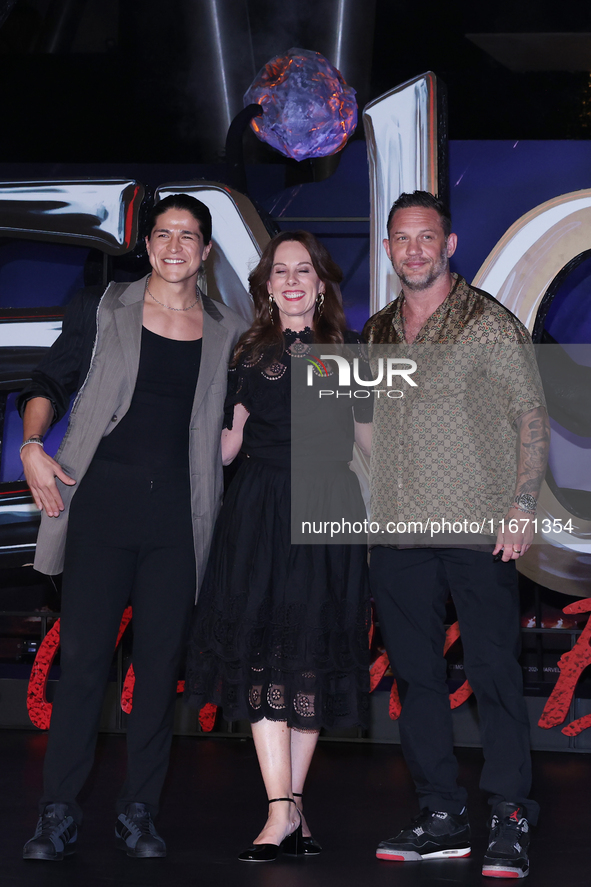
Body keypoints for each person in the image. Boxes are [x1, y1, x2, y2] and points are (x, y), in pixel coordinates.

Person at [18, 194, 247, 860]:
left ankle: (138, 811)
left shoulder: (227, 328)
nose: (175, 245)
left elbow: (237, 414)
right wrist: (33, 443)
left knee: (156, 673)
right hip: (100, 511)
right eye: (163, 233)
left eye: (189, 236)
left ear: (205, 252)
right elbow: (49, 380)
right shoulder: (102, 306)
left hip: (178, 520)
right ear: (147, 243)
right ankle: (56, 812)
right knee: (85, 666)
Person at [363, 191, 549, 880]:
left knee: (493, 672)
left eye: (426, 237)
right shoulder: (378, 330)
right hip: (398, 529)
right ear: (387, 249)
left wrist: (522, 504)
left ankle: (508, 811)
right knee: (415, 679)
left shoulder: (488, 323)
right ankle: (440, 813)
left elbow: (529, 416)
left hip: (478, 525)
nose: (413, 248)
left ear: (448, 245)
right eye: (400, 238)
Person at [184, 230, 372, 862]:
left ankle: (288, 810)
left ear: (322, 284)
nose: (292, 280)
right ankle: (282, 811)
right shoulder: (247, 350)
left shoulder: (349, 353)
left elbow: (374, 442)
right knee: (265, 654)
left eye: (304, 270)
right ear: (267, 287)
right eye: (280, 271)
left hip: (327, 509)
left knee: (310, 655)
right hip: (260, 510)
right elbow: (229, 443)